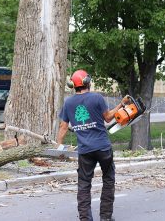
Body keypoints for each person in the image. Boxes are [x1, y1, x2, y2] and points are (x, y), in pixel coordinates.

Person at [57, 70, 130, 221]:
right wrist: (122, 104)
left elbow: (63, 127)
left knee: (84, 184)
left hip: (85, 151)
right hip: (103, 148)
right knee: (108, 179)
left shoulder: (68, 102)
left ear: (73, 85)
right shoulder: (97, 98)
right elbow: (109, 118)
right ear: (87, 82)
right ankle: (105, 217)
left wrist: (59, 147)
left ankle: (85, 218)